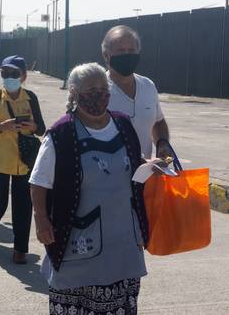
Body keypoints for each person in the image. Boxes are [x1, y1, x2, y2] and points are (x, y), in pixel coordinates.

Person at [30, 63, 149, 315]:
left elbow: (133, 164)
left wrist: (153, 166)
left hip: (123, 236)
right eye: (91, 89)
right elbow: (39, 180)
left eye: (103, 89)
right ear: (74, 92)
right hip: (78, 238)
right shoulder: (61, 134)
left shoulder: (123, 125)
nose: (98, 94)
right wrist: (41, 219)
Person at [0, 55, 46, 264]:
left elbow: (42, 128)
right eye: (5, 73)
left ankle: (20, 249)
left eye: (14, 74)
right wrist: (0, 127)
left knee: (23, 206)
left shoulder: (31, 98)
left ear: (24, 76)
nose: (9, 77)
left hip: (25, 162)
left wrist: (33, 127)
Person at [102, 25, 172, 160]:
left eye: (131, 50)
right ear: (106, 55)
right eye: (121, 51)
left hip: (144, 176)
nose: (127, 55)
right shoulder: (97, 91)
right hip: (108, 176)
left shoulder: (148, 86)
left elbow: (158, 122)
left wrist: (162, 143)